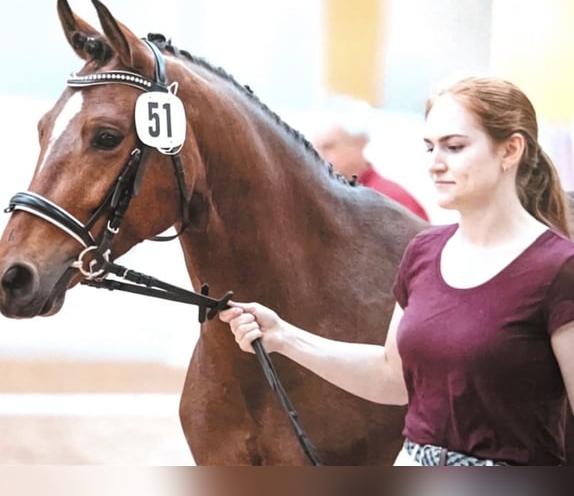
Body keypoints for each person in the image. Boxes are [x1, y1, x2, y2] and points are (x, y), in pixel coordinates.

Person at [221, 76, 574, 466]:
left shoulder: (559, 268)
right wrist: (282, 336)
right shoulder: (423, 253)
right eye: (430, 147)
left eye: (454, 147)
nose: (435, 163)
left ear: (511, 150)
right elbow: (393, 376)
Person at [312, 102, 429, 221]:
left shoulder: (392, 201)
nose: (318, 156)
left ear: (359, 143)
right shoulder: (317, 199)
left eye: (328, 147)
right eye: (315, 148)